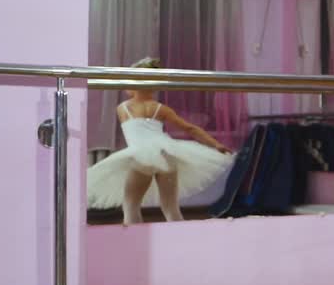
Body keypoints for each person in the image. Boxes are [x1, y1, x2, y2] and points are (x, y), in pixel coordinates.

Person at [87, 57, 234, 224]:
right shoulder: (161, 109)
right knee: (171, 207)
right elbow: (191, 129)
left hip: (142, 157)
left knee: (131, 205)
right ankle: (181, 240)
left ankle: (135, 243)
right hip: (167, 154)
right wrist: (216, 144)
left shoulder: (123, 108)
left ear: (133, 83)